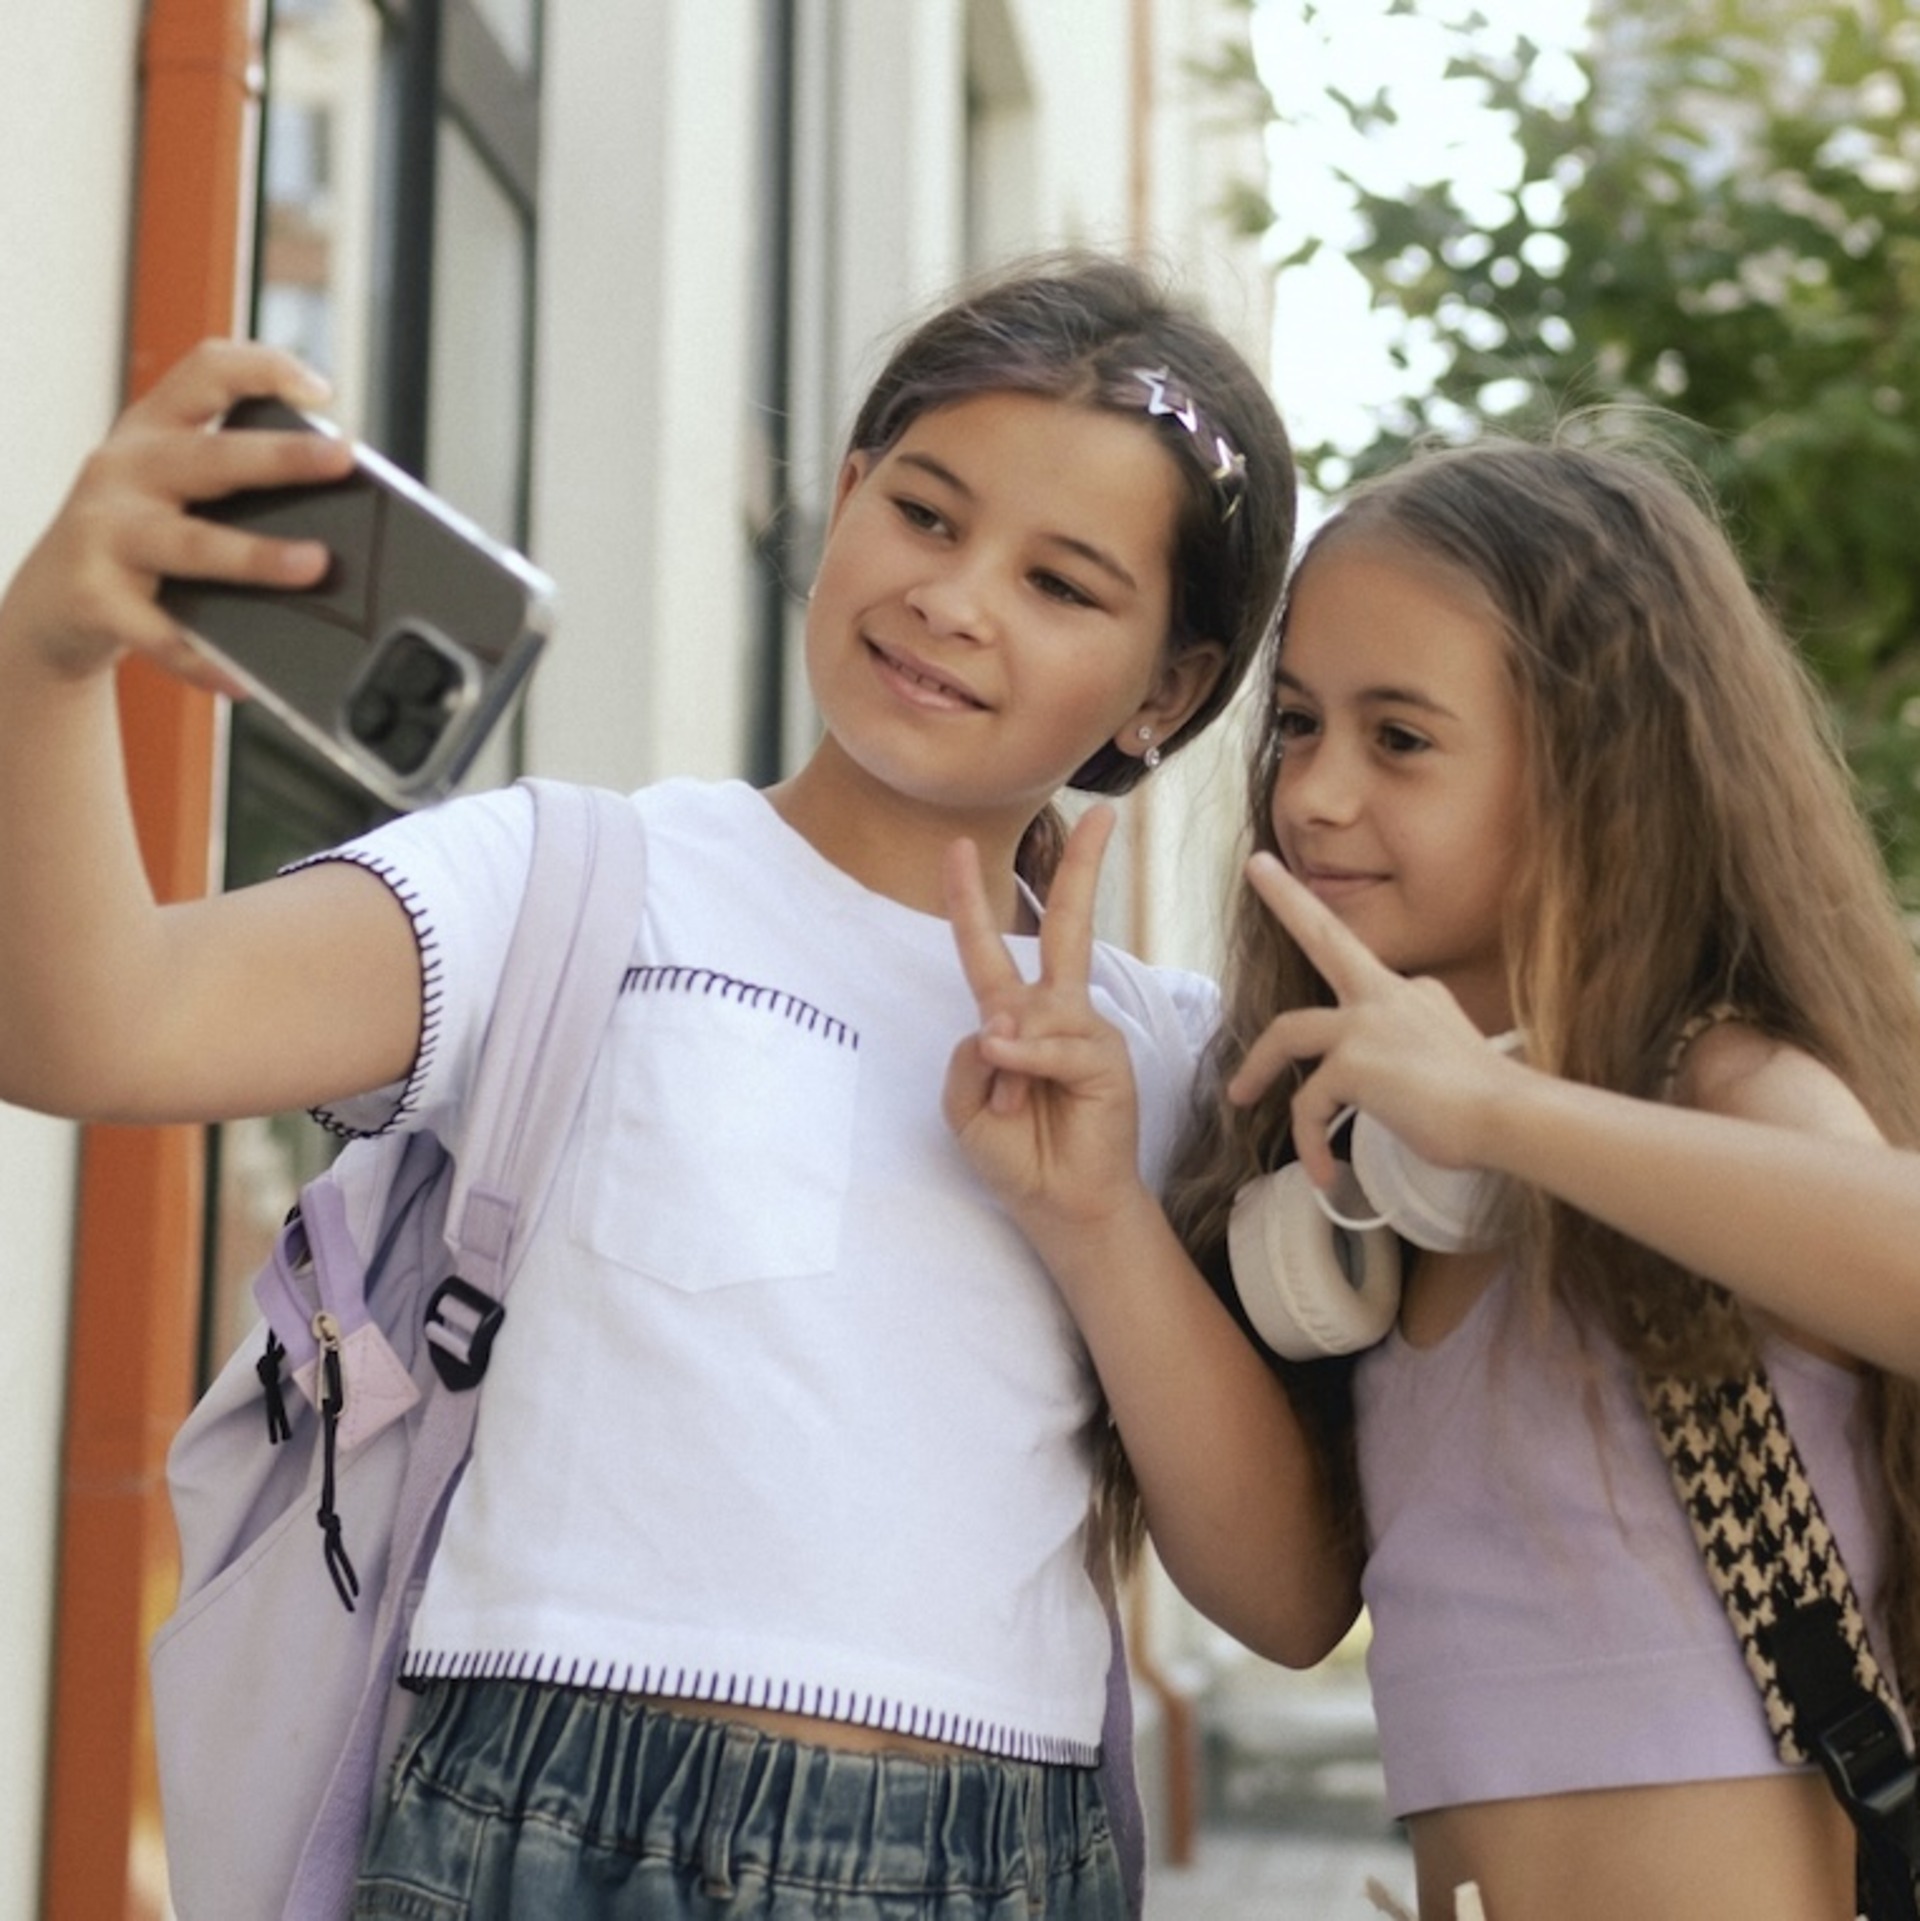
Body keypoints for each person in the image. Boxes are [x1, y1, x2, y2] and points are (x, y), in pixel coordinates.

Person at [0, 253, 1337, 1918]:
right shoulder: (569, 881)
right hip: (533, 1821)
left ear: (1168, 689)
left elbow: (1288, 1598)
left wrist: (1095, 1222)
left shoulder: (1167, 1052)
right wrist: (47, 657)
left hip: (993, 1849)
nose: (958, 596)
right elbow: (91, 1027)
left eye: (1063, 583)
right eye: (925, 514)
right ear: (843, 497)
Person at [1152, 431, 1920, 1920]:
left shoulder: (1720, 1084)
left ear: (1597, 771)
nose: (1310, 794)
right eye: (1297, 726)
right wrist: (1088, 1218)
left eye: (1400, 737)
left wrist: (1506, 1112)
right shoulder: (1381, 1195)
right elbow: (1292, 1607)